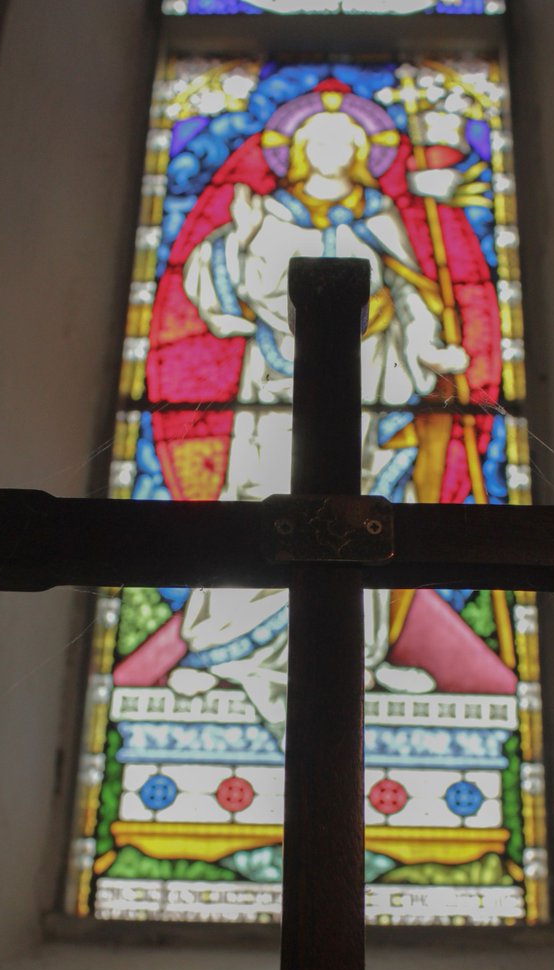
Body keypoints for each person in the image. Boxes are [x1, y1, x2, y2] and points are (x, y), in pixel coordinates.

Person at [168, 99, 469, 740]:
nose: (331, 150)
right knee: (260, 501)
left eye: (343, 140)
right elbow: (214, 279)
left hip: (368, 382)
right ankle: (223, 653)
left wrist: (427, 346)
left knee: (360, 511)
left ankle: (363, 659)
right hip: (274, 388)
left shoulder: (378, 216)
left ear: (362, 153)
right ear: (298, 149)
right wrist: (242, 239)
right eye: (318, 138)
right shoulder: (265, 213)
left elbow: (411, 294)